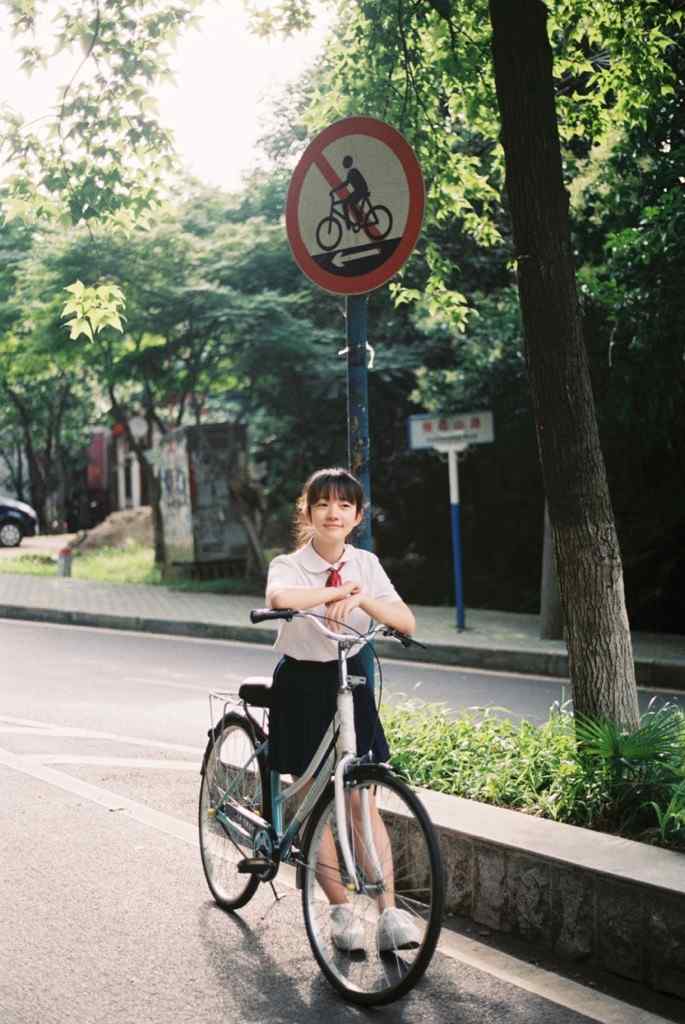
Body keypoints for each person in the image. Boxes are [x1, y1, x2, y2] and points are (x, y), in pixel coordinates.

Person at [266, 466, 421, 953]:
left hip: (352, 676)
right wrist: (336, 591)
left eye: (345, 506)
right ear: (308, 512)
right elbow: (280, 598)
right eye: (323, 504)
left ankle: (389, 912)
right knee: (311, 797)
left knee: (360, 796)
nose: (334, 513)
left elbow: (406, 621)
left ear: (356, 516)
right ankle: (337, 908)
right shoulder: (289, 563)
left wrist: (363, 598)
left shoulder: (367, 564)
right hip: (303, 680)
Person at [330, 155, 370, 231]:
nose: (343, 164)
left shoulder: (353, 171)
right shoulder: (350, 172)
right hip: (357, 191)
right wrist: (334, 190)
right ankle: (348, 223)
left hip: (361, 190)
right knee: (344, 204)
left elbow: (348, 183)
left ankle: (360, 219)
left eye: (345, 162)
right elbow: (345, 183)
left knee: (351, 204)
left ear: (349, 162)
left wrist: (334, 190)